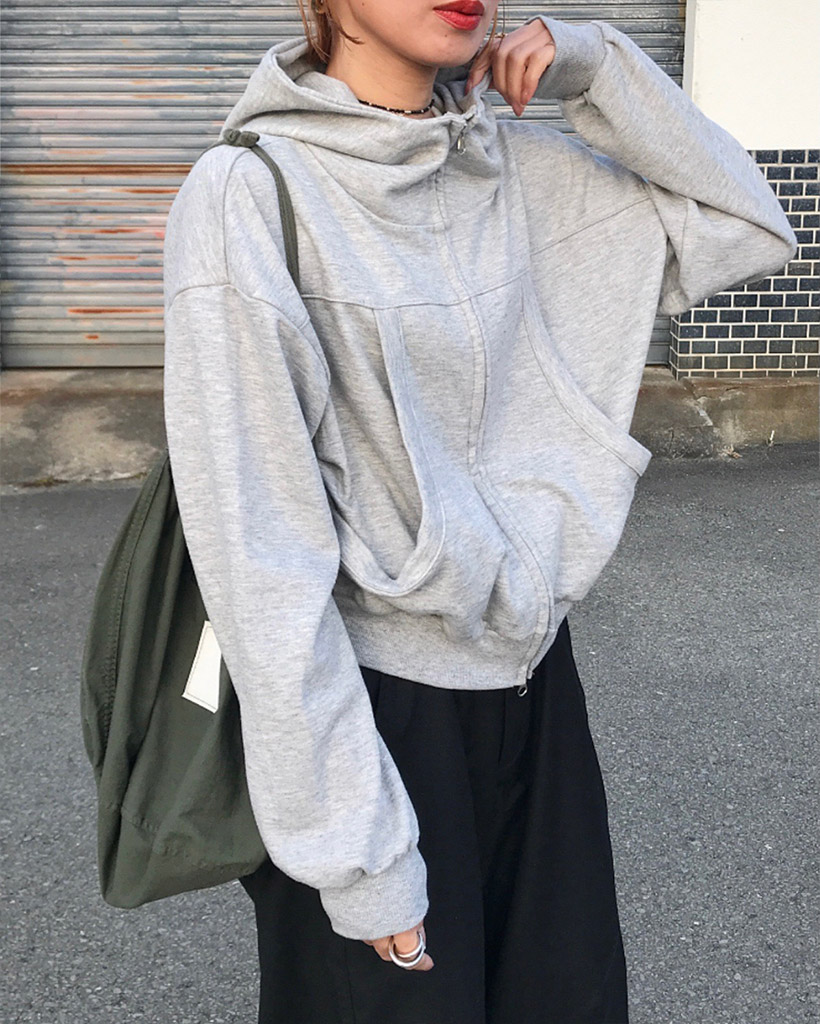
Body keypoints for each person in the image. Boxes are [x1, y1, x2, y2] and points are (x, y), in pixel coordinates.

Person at [161, 2, 797, 1021]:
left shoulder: (516, 170)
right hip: (371, 713)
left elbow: (747, 225)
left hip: (534, 686)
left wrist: (595, 65)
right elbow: (258, 554)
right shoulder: (250, 194)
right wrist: (357, 851)